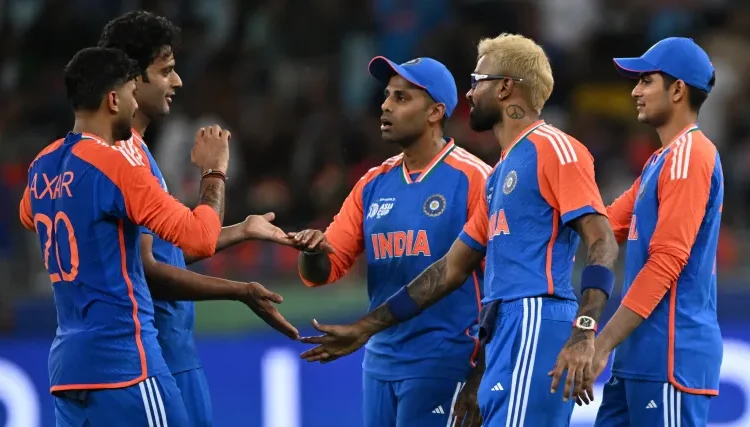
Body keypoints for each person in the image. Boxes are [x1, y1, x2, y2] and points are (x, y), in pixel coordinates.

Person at [298, 33, 620, 427]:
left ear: (505, 87)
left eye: (477, 81)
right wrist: (364, 328)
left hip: (536, 317)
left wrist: (585, 331)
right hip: (502, 328)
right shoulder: (499, 174)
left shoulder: (552, 147)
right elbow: (449, 270)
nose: (468, 94)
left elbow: (602, 240)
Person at [97, 11, 299, 426]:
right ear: (132, 78)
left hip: (166, 353)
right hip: (156, 358)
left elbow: (156, 253)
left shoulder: (132, 151)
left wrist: (240, 230)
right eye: (165, 71)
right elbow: (149, 270)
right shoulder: (124, 158)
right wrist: (214, 172)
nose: (177, 82)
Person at [18, 47, 226, 426]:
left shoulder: (41, 166)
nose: (135, 105)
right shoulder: (117, 166)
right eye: (132, 94)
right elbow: (201, 237)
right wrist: (214, 172)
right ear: (113, 100)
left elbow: (29, 215)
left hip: (68, 374)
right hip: (125, 367)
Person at [289, 56, 490, 427]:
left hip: (446, 360)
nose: (385, 106)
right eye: (386, 95)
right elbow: (324, 270)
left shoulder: (475, 179)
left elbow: (502, 286)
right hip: (380, 361)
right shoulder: (372, 183)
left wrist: (482, 375)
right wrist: (311, 251)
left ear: (435, 112)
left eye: (401, 97)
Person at [592, 37, 723, 427]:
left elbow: (666, 261)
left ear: (677, 89)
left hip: (669, 358)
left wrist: (601, 343)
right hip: (638, 358)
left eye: (646, 80)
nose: (635, 91)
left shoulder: (690, 155)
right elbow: (603, 225)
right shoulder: (660, 161)